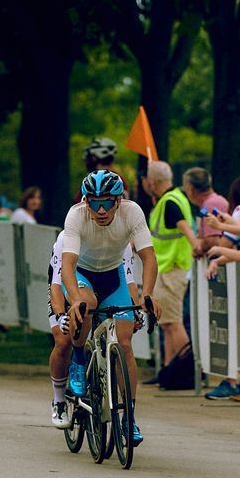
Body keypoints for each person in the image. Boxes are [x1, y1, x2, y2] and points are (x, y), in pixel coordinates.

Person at [58, 170, 158, 445]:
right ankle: (78, 358)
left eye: (107, 202)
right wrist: (75, 298)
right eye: (93, 202)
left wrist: (147, 294)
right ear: (85, 202)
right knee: (87, 304)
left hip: (113, 277)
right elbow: (67, 264)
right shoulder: (76, 215)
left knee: (125, 345)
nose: (100, 210)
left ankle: (129, 418)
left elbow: (148, 258)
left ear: (118, 201)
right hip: (83, 274)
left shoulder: (132, 212)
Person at [144, 161, 196, 367]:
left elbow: (184, 227)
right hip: (168, 269)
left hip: (171, 269)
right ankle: (168, 370)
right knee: (166, 323)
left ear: (153, 181)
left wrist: (196, 245)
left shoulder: (169, 203)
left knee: (173, 323)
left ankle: (186, 369)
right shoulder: (173, 198)